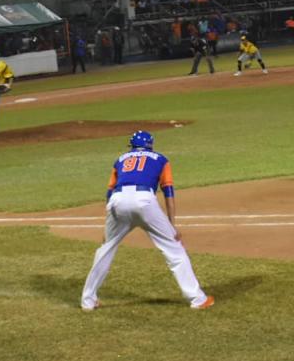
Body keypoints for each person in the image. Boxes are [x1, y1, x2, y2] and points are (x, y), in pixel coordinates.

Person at [80, 130, 214, 311]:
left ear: (132, 146)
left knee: (105, 249)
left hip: (117, 201)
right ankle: (197, 299)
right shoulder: (161, 159)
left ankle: (88, 301)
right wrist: (172, 226)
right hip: (144, 201)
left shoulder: (120, 160)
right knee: (173, 248)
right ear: (150, 145)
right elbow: (168, 192)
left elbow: (110, 193)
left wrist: (108, 229)